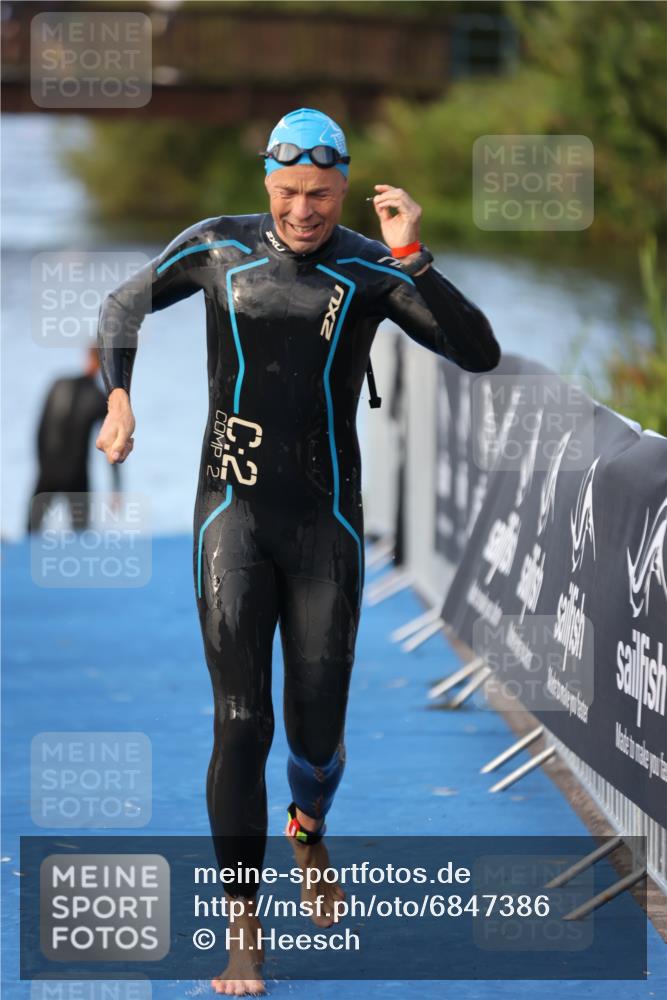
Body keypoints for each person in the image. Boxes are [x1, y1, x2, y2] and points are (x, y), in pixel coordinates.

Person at [96, 107, 500, 995]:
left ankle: (308, 830)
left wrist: (411, 256)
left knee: (316, 734)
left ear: (343, 189)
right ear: (265, 187)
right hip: (229, 517)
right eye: (288, 193)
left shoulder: (366, 266)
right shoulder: (216, 247)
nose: (304, 211)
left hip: (327, 527)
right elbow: (123, 301)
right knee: (241, 722)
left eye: (320, 194)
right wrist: (119, 398)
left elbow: (477, 353)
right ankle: (244, 925)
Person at [27, 346, 120, 533]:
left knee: (31, 530)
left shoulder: (59, 383)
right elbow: (114, 447)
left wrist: (41, 466)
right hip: (76, 476)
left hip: (48, 471)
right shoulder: (100, 399)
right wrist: (116, 488)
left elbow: (40, 429)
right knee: (80, 535)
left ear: (88, 358)